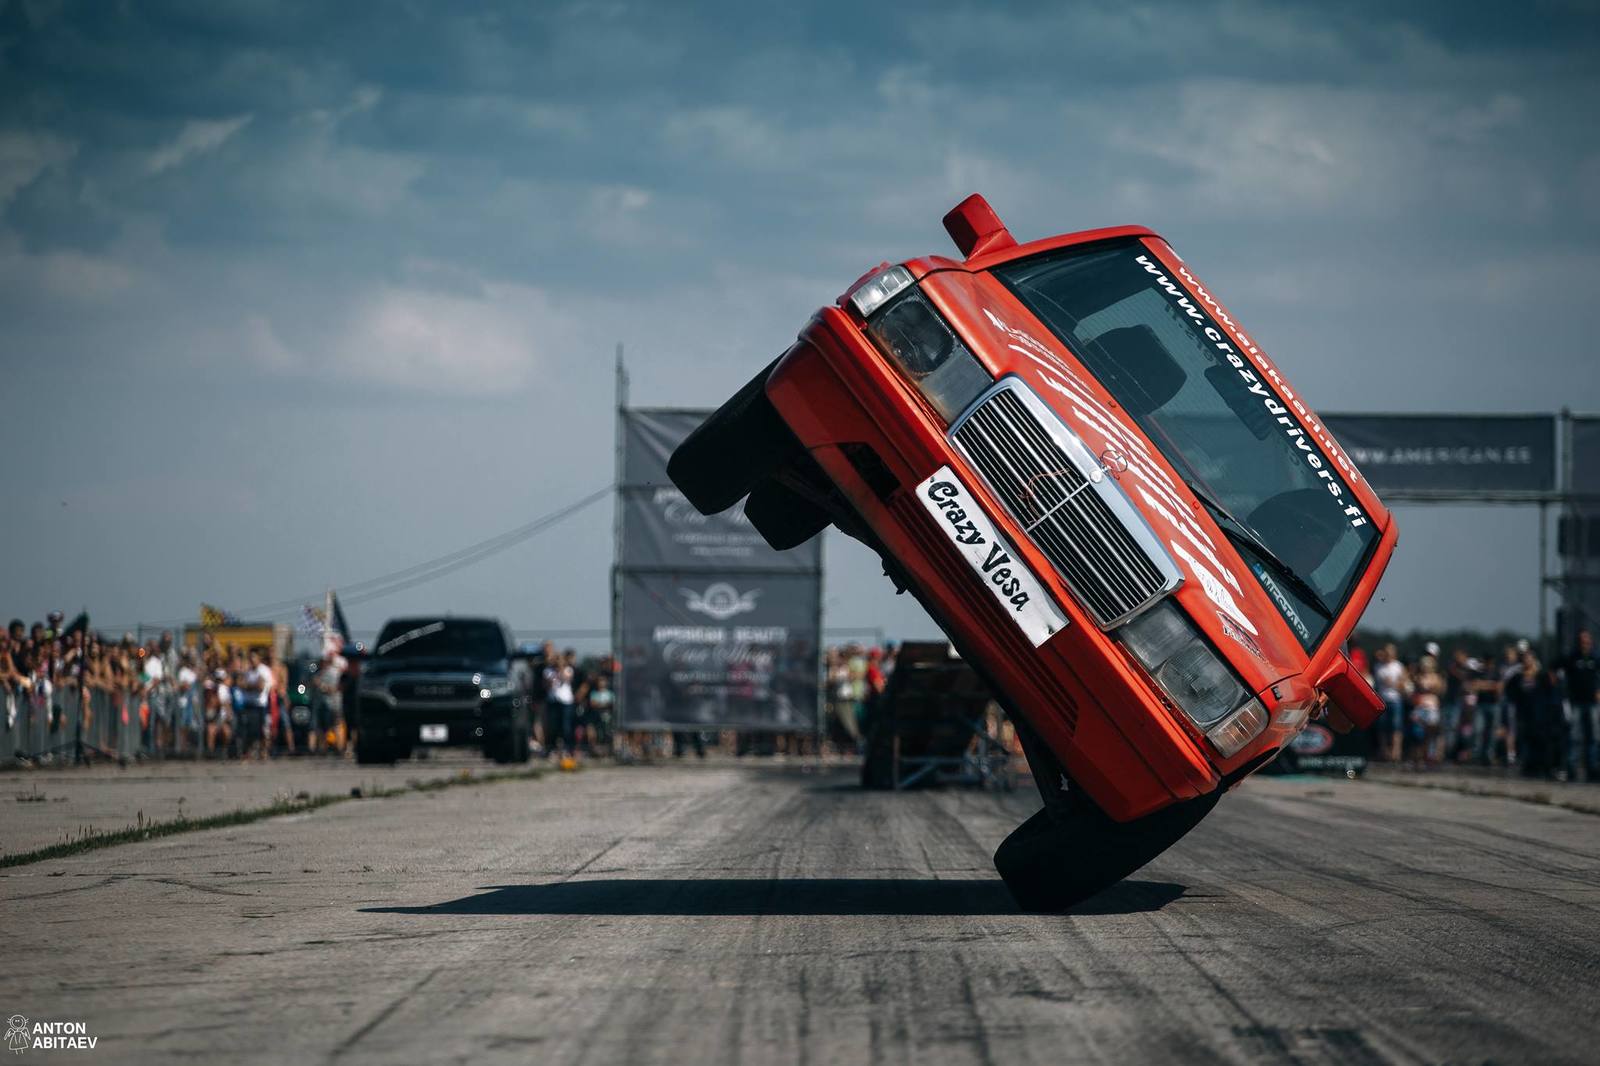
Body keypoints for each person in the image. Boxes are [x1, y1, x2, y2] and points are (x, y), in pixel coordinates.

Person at [1560, 629, 1599, 781]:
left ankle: (1593, 769)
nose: (1585, 643)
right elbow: (1557, 668)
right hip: (1576, 702)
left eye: (1587, 641)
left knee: (1594, 737)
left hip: (1592, 703)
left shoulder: (1595, 658)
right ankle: (1572, 768)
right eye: (1583, 641)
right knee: (1575, 736)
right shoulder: (1572, 657)